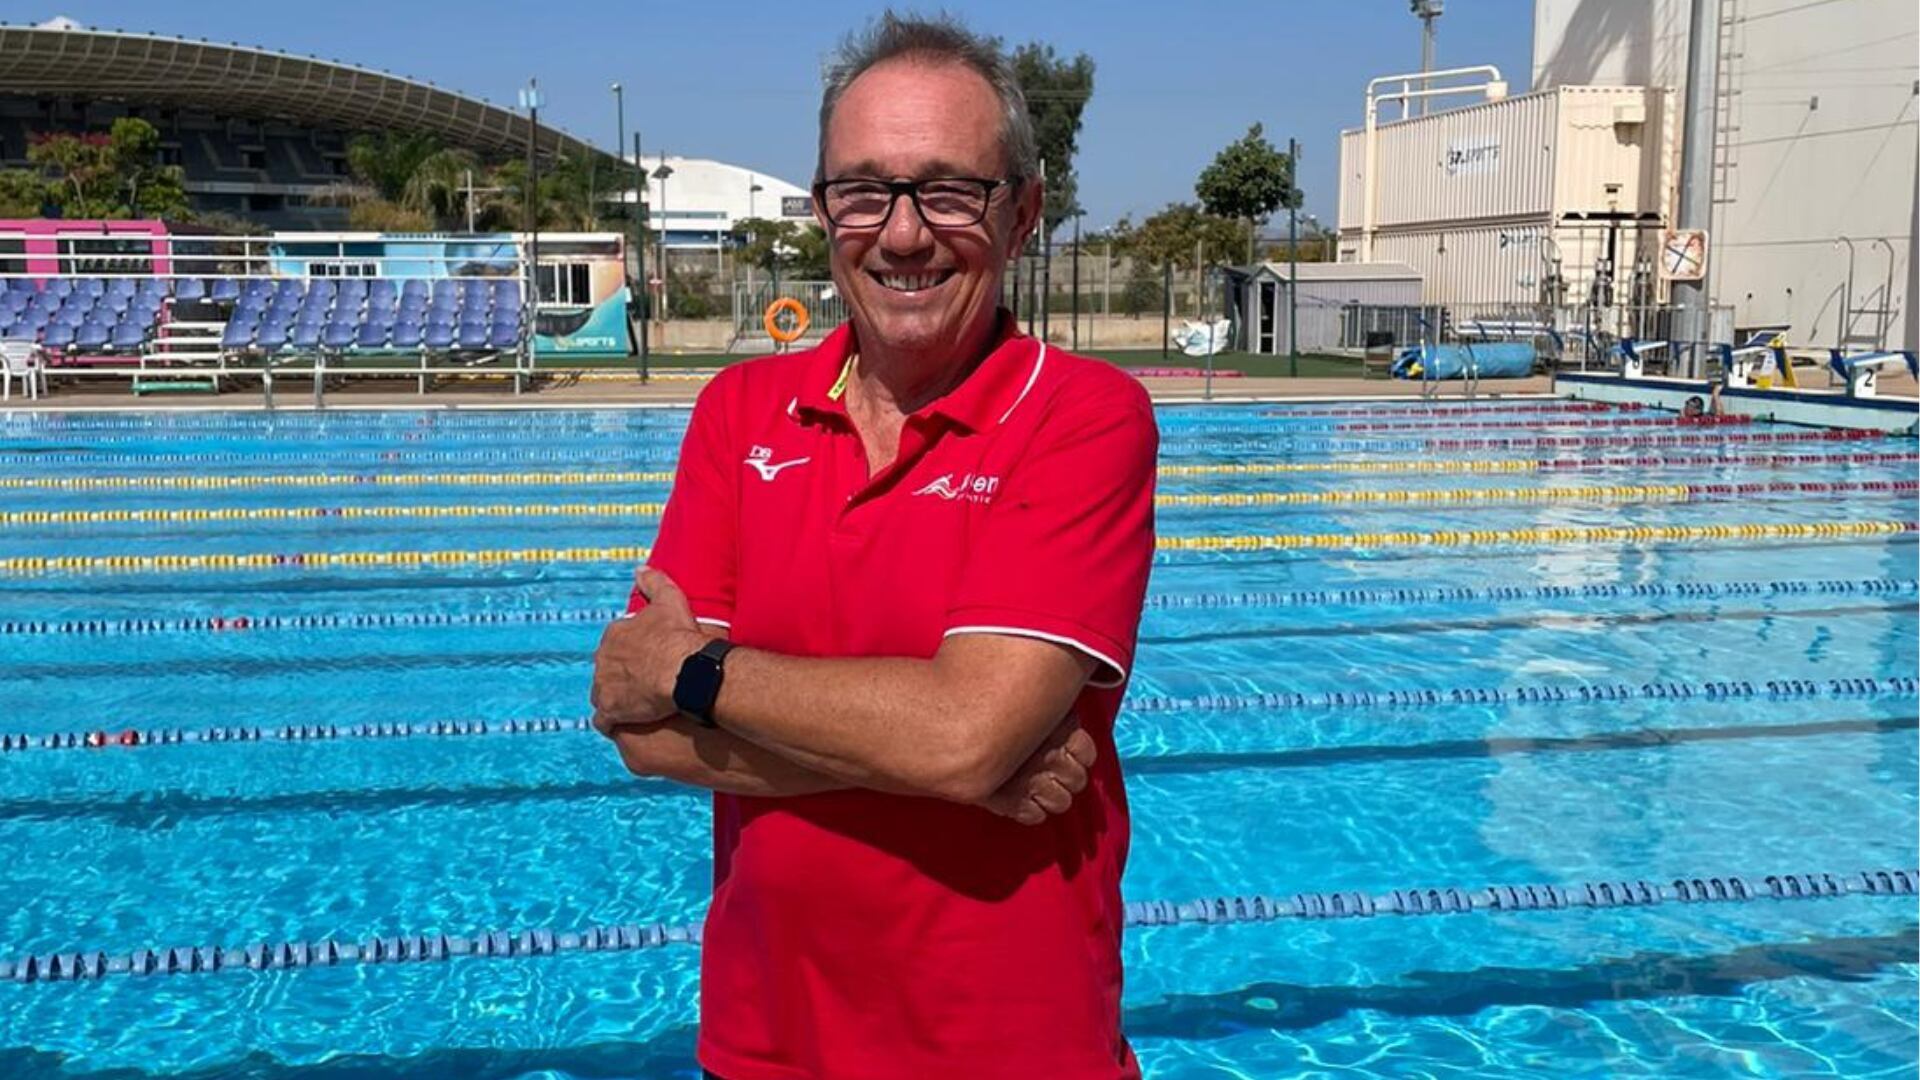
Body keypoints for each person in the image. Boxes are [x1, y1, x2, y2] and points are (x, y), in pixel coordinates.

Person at [589, 13, 1158, 1080]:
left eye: (949, 190)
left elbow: (961, 738)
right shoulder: (739, 412)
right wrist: (946, 764)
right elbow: (641, 731)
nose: (902, 233)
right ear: (823, 212)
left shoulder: (1084, 417)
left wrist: (696, 667)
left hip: (1011, 1050)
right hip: (765, 1044)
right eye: (864, 190)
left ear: (1024, 214)